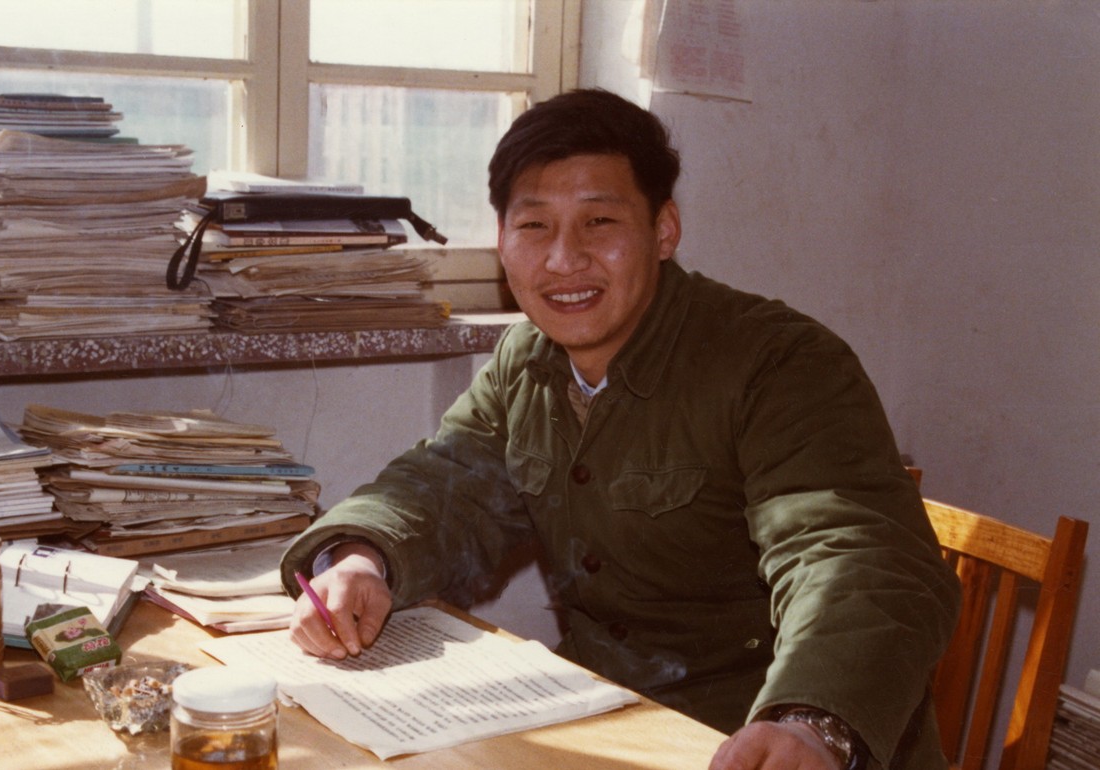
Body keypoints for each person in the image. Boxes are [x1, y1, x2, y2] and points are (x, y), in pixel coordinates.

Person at [279, 88, 960, 770]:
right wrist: (363, 561)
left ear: (664, 230)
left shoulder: (779, 363)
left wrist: (812, 722)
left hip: (755, 741)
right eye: (535, 226)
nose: (564, 260)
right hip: (607, 726)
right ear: (502, 242)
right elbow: (448, 480)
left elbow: (851, 556)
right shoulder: (528, 359)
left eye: (599, 222)